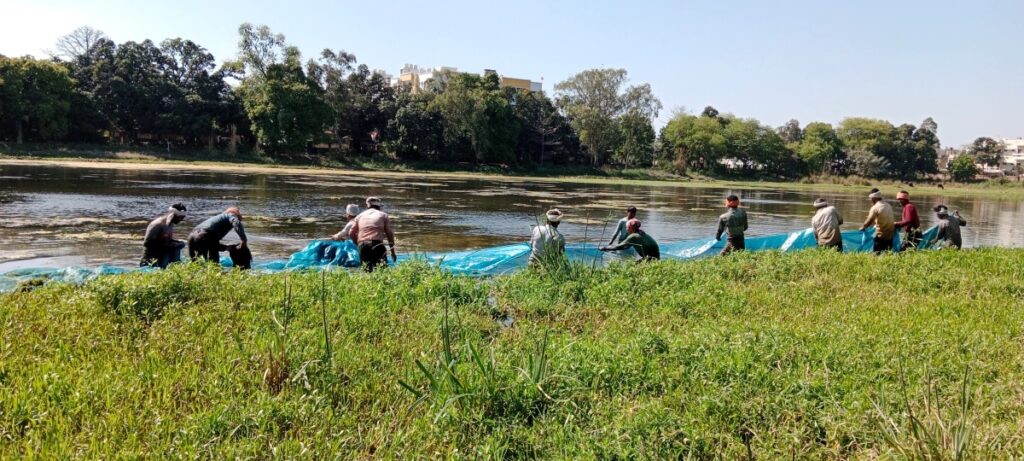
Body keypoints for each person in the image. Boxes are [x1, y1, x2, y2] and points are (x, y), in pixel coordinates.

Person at [348, 197, 396, 272]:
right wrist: (392, 252)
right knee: (382, 272)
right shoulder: (383, 215)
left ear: (368, 206)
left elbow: (351, 233)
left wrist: (359, 244)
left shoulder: (360, 216)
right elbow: (389, 233)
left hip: (363, 245)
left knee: (366, 272)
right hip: (377, 245)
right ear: (379, 206)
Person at [140, 203, 188, 268]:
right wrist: (168, 245)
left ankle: (173, 267)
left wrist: (175, 243)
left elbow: (167, 240)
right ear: (173, 214)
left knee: (181, 243)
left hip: (163, 258)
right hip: (151, 261)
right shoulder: (158, 224)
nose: (181, 220)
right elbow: (147, 243)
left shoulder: (170, 224)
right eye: (180, 217)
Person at [858, 189, 896, 254]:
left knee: (877, 254)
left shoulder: (875, 207)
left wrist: (863, 227)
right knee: (887, 254)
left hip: (881, 236)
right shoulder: (888, 205)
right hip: (890, 235)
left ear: (874, 198)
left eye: (871, 198)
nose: (871, 200)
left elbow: (869, 220)